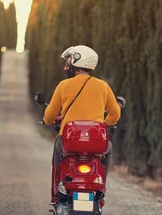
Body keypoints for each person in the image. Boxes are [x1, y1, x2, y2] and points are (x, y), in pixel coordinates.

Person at [43, 45, 121, 201]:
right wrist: (104, 124)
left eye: (69, 61)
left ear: (77, 62)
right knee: (109, 148)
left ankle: (58, 188)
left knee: (59, 150)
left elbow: (50, 115)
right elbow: (115, 114)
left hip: (69, 140)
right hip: (96, 142)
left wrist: (48, 121)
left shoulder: (63, 86)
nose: (67, 65)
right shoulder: (103, 86)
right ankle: (101, 185)